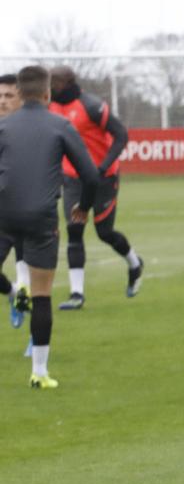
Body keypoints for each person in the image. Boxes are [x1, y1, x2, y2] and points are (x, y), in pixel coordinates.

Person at [0, 66, 99, 388]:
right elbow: (91, 175)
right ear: (47, 94)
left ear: (20, 93)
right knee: (42, 297)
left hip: (4, 214)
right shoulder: (60, 125)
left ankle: (14, 292)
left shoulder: (3, 127)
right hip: (42, 218)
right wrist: (82, 208)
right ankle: (39, 373)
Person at [48, 66, 143, 308]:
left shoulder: (91, 106)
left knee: (105, 233)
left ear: (68, 83)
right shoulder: (50, 106)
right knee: (74, 229)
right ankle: (77, 294)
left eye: (54, 83)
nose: (50, 87)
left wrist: (103, 167)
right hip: (71, 177)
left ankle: (134, 264)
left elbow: (121, 135)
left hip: (103, 178)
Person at [0, 72, 25, 329]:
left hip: (31, 215)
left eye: (9, 95)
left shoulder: (31, 130)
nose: (2, 101)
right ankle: (12, 294)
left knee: (32, 279)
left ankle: (37, 340)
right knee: (22, 286)